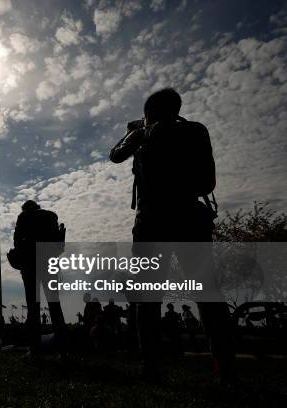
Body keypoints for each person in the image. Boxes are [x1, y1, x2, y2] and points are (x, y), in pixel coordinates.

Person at [109, 88, 235, 383]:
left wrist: (138, 130)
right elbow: (207, 182)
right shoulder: (195, 130)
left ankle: (151, 366)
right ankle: (225, 367)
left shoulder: (144, 134)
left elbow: (115, 155)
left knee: (147, 299)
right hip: (191, 218)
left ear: (149, 111)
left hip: (152, 223)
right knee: (209, 293)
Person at [12, 200, 67, 358]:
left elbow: (17, 242)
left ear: (25, 208)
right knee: (55, 307)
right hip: (50, 264)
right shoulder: (51, 217)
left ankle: (35, 350)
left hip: (30, 265)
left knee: (33, 308)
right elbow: (59, 243)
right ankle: (62, 350)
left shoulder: (23, 217)